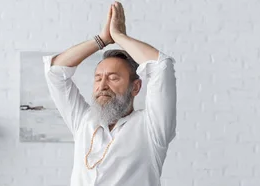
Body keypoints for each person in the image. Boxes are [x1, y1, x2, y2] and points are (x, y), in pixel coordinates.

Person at [42, 1, 177, 186]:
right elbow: (55, 71)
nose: (102, 85)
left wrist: (119, 37)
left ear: (136, 87)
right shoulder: (83, 120)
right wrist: (102, 40)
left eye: (113, 78)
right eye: (98, 78)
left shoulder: (152, 127)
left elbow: (162, 67)